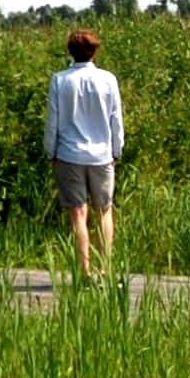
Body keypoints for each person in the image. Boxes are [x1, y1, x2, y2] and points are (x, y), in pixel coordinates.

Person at [45, 27, 124, 276]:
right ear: (94, 51)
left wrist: (51, 152)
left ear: (71, 51)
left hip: (69, 154)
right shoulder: (108, 79)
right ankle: (105, 270)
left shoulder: (60, 80)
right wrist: (116, 150)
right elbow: (116, 118)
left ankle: (84, 271)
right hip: (101, 155)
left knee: (78, 214)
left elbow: (52, 121)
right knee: (104, 210)